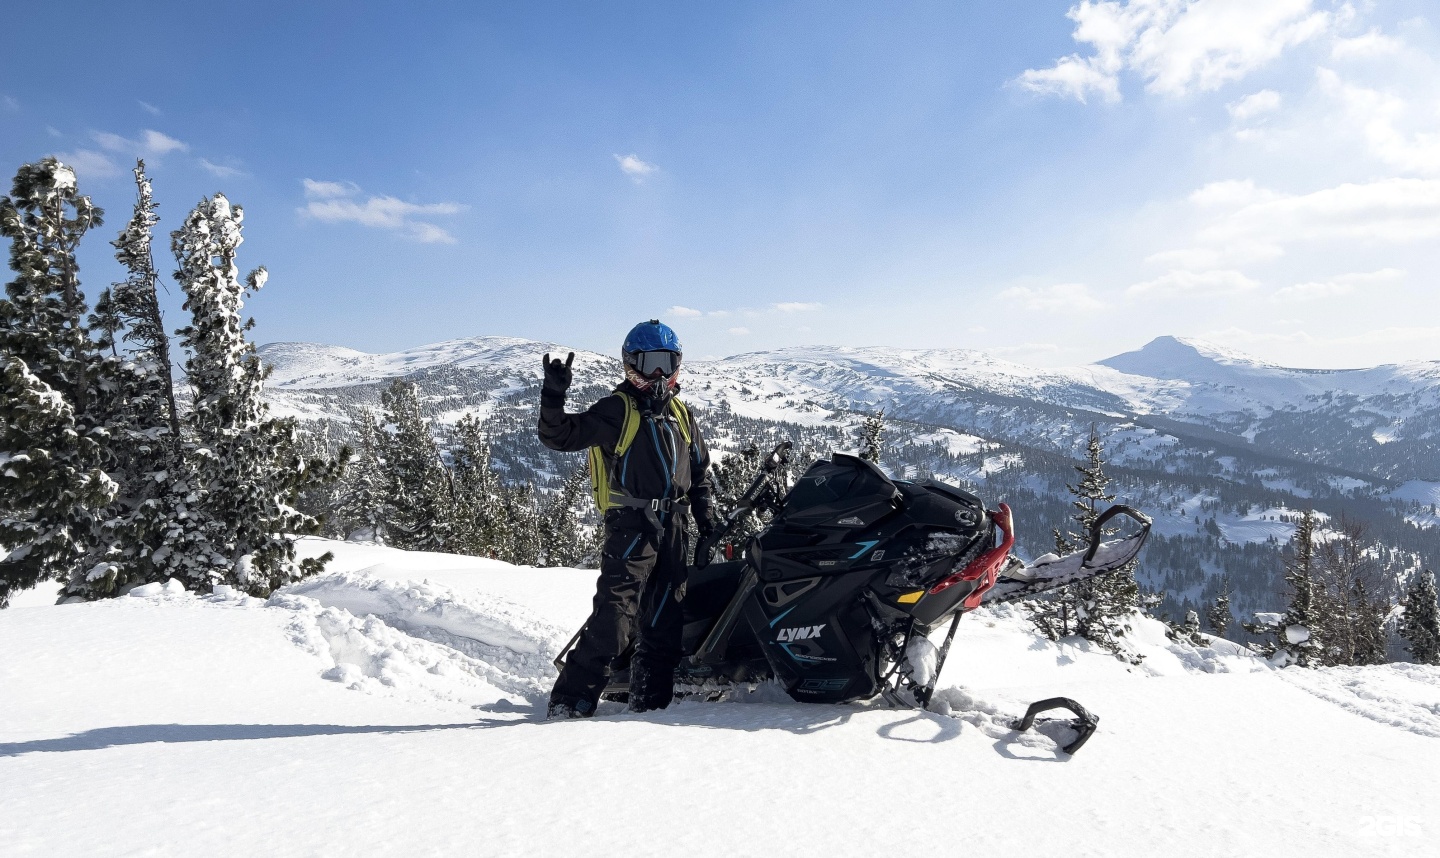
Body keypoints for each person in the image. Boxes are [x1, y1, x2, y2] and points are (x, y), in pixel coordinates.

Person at [539, 320, 715, 718]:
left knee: (663, 623)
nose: (659, 373)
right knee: (615, 619)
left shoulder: (681, 415)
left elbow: (700, 473)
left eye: (666, 362)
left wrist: (707, 523)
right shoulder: (617, 409)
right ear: (631, 363)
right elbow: (561, 436)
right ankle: (570, 702)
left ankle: (650, 706)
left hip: (673, 529)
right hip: (632, 527)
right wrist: (553, 395)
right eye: (650, 362)